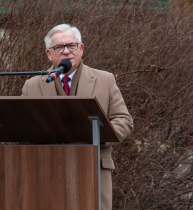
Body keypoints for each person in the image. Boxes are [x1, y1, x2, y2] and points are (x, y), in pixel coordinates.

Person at [21, 23, 133, 210]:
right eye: (59, 47)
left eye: (71, 45)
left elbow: (124, 120)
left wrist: (97, 136)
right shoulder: (32, 85)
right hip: (46, 173)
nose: (66, 52)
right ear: (49, 53)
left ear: (80, 49)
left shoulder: (105, 80)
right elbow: (22, 126)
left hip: (93, 171)